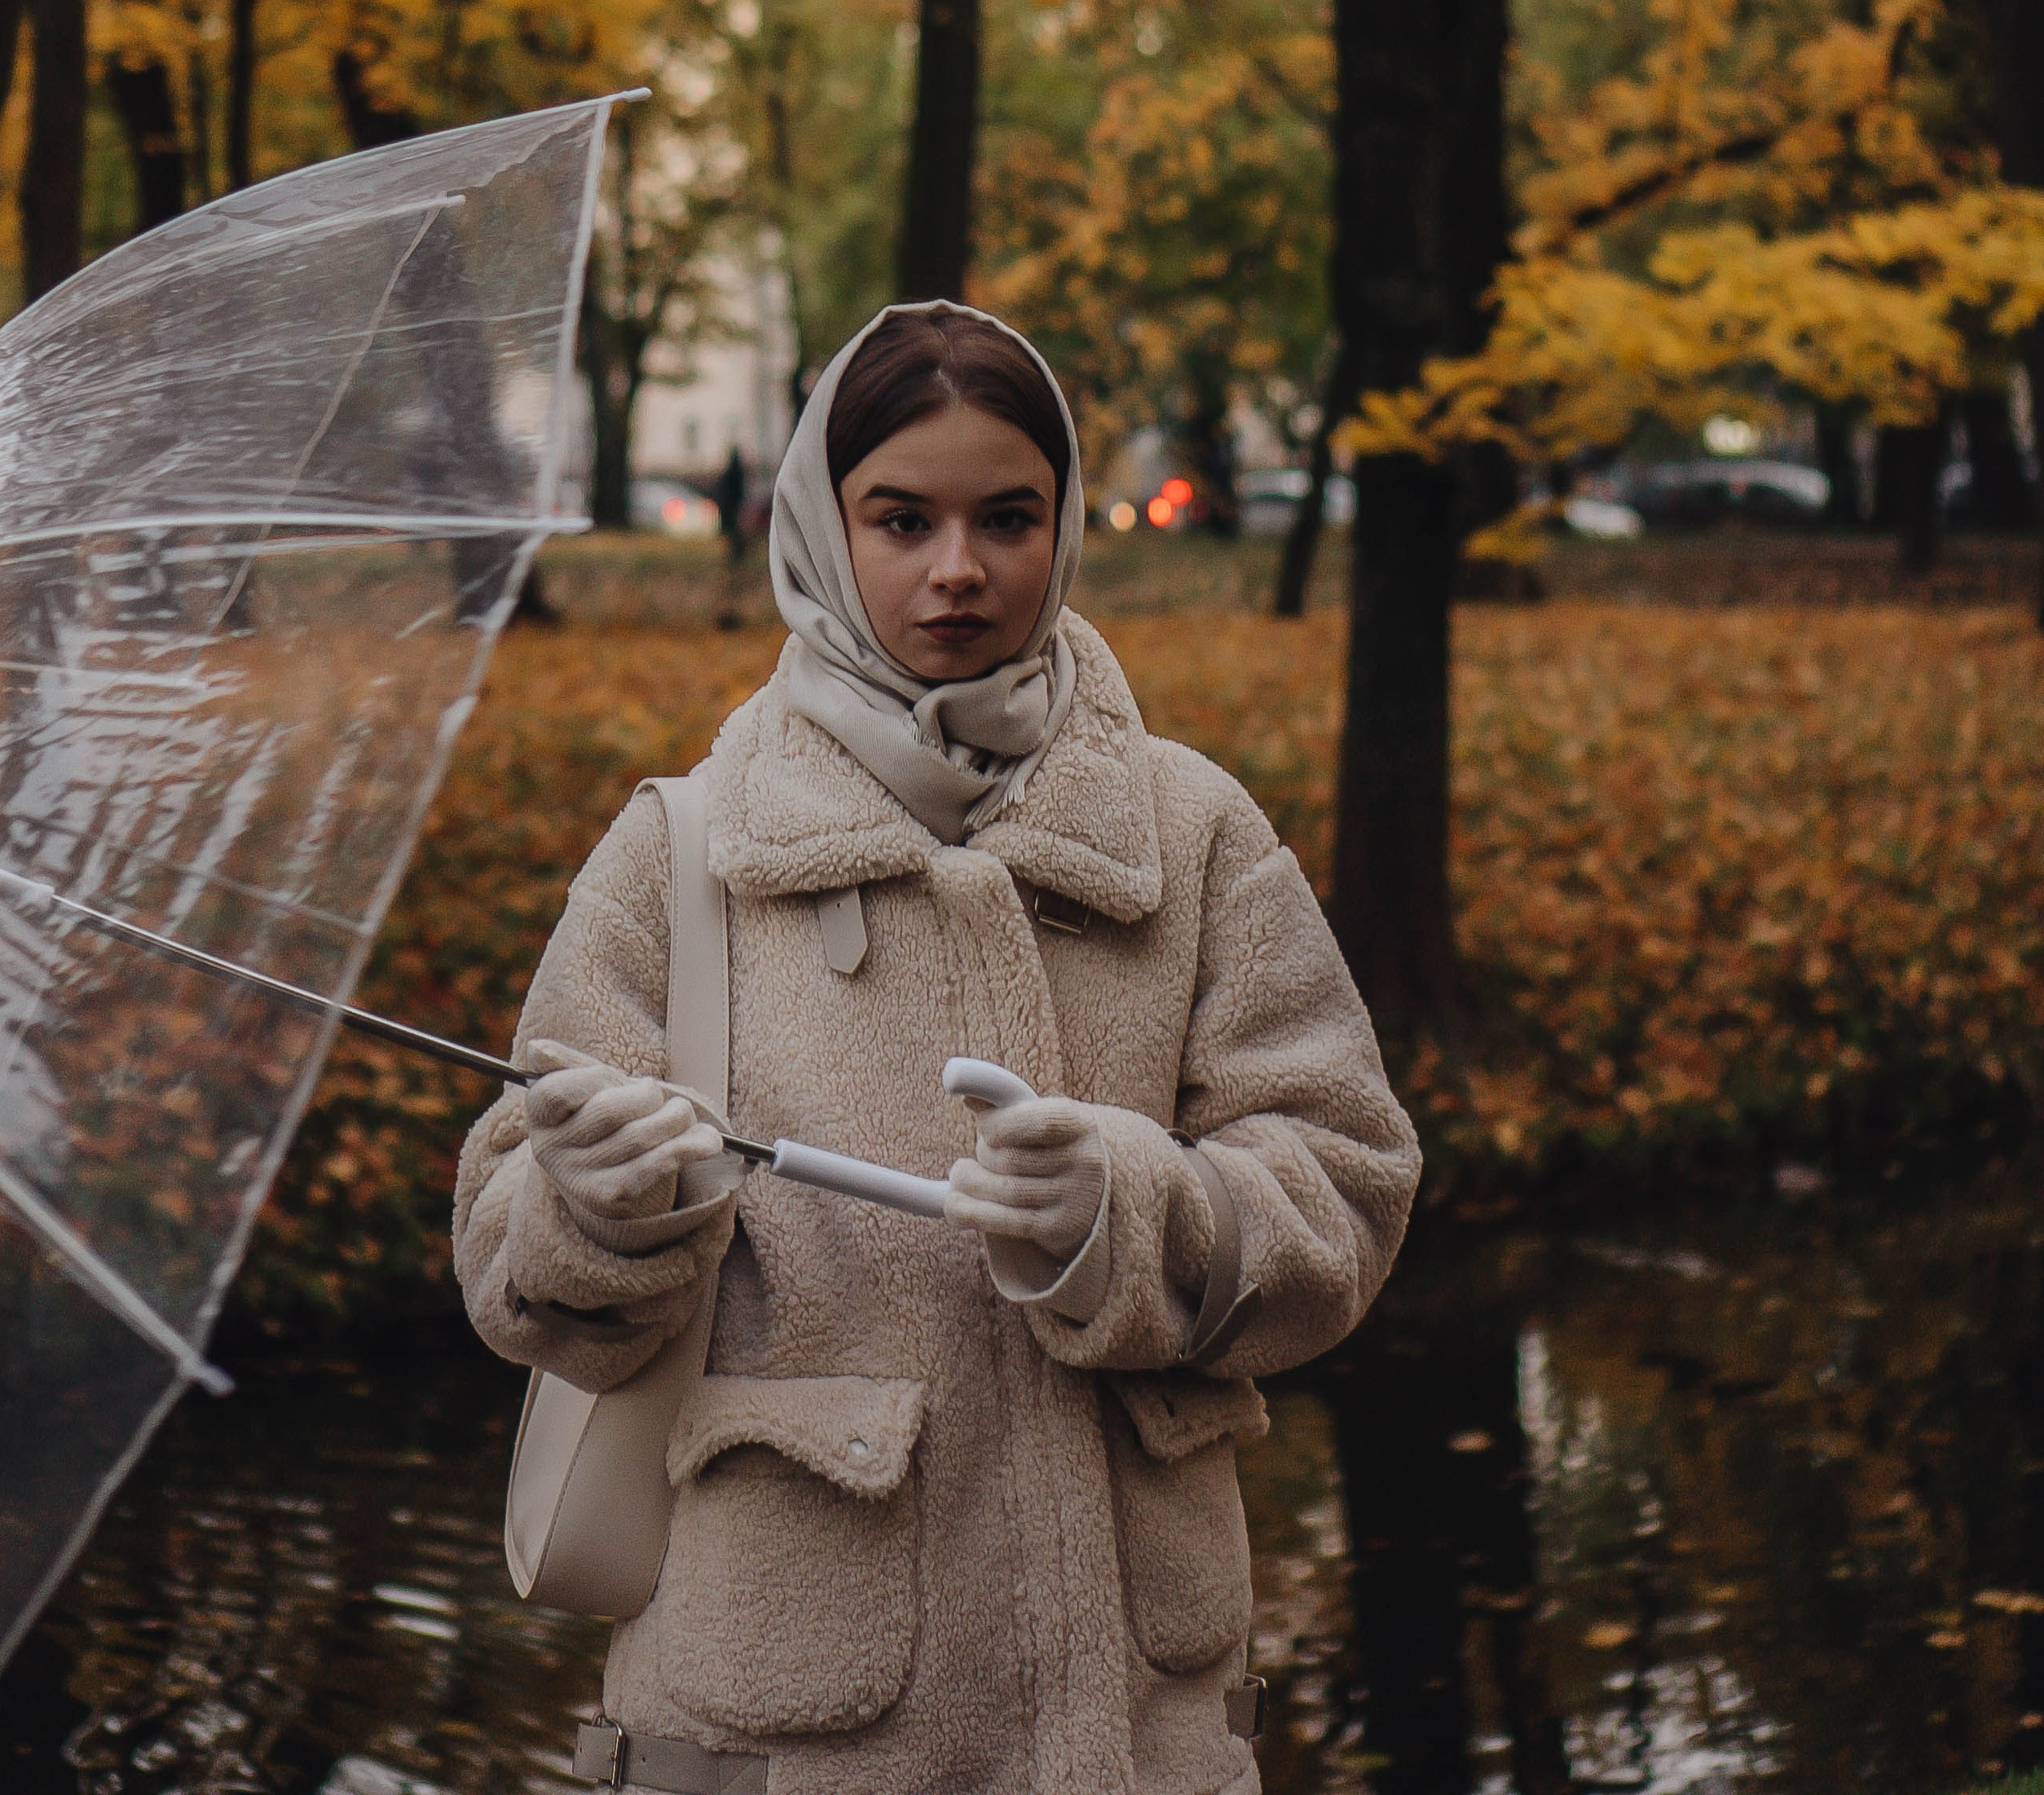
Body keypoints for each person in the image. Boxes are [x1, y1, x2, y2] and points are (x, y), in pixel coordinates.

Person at [454, 302, 1420, 1795]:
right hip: (784, 1726)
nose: (957, 569)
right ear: (822, 530)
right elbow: (511, 1255)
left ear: (1067, 524)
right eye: (900, 519)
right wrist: (596, 1210)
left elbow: (1347, 1185)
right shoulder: (683, 851)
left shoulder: (1194, 831)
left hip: (1138, 1732)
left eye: (1007, 517)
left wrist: (1131, 1210)